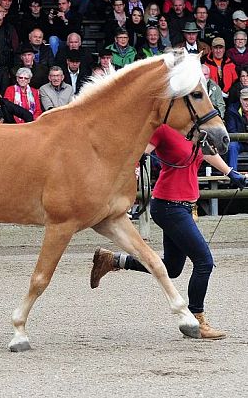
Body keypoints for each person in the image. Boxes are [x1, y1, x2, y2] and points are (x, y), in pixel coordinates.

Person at [90, 123, 247, 339]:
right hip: (169, 207)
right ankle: (196, 320)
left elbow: (206, 153)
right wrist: (136, 158)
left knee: (172, 268)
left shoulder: (196, 131)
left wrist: (230, 172)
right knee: (204, 262)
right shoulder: (163, 130)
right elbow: (137, 151)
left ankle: (114, 260)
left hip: (184, 206)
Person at [225, 88, 248, 170]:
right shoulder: (232, 110)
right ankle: (233, 176)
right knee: (232, 145)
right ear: (240, 99)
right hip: (240, 143)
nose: (247, 103)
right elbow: (231, 130)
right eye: (245, 100)